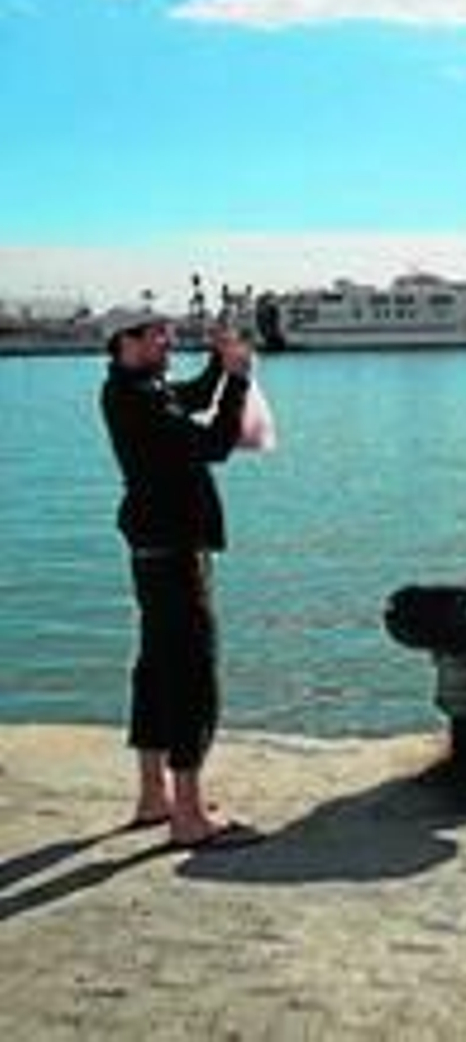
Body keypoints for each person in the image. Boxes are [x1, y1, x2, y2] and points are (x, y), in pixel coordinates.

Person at [100, 307, 262, 848]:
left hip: (152, 547)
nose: (168, 341)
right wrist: (238, 382)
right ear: (126, 342)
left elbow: (189, 397)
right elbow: (214, 444)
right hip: (173, 551)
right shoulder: (140, 399)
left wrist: (220, 364)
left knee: (154, 666)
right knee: (192, 671)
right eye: (157, 335)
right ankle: (188, 816)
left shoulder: (135, 387)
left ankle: (154, 796)